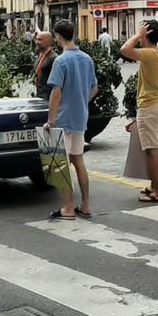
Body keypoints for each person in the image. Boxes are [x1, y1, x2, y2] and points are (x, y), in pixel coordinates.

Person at [45, 20, 97, 220]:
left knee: (61, 163)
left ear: (58, 36)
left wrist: (51, 120)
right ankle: (85, 205)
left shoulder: (61, 61)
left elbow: (56, 93)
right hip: (80, 117)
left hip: (63, 119)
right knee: (78, 160)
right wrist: (81, 100)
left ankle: (67, 207)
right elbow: (94, 88)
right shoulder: (86, 58)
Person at [121, 19, 158, 204]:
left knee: (152, 150)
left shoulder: (149, 54)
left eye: (142, 34)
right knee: (154, 149)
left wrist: (137, 35)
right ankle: (154, 186)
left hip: (149, 106)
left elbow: (125, 50)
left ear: (147, 35)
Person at [33, 31, 56, 100]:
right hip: (40, 94)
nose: (36, 42)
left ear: (48, 41)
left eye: (40, 40)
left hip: (48, 96)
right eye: (36, 39)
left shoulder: (53, 58)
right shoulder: (39, 55)